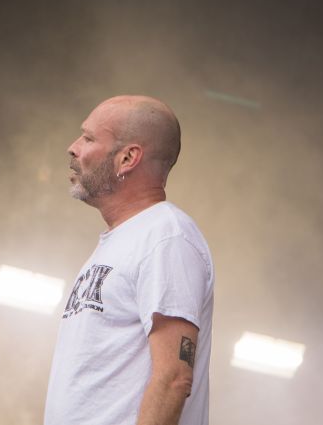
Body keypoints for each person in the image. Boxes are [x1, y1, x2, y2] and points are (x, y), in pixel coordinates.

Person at [43, 95, 215, 425]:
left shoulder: (166, 236)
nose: (73, 147)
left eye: (88, 138)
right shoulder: (125, 240)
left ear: (127, 158)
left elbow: (174, 378)